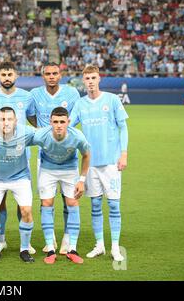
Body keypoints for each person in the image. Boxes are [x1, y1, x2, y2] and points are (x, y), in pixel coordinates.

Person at [70, 65, 129, 262]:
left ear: (99, 78)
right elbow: (68, 126)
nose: (90, 82)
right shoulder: (80, 104)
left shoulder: (111, 100)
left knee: (113, 205)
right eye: (87, 78)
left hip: (111, 163)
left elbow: (123, 127)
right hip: (91, 164)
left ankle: (114, 247)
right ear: (83, 81)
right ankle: (100, 245)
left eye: (93, 78)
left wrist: (124, 154)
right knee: (95, 204)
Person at [0, 61, 37, 254]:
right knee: (0, 200)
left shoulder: (27, 97)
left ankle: (26, 243)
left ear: (16, 76)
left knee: (23, 203)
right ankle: (1, 238)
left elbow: (33, 120)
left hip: (21, 156)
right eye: (3, 74)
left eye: (10, 74)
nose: (7, 78)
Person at [31, 62, 81, 255]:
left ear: (61, 75)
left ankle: (68, 238)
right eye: (48, 74)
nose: (51, 76)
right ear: (43, 76)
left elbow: (75, 118)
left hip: (68, 154)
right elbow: (29, 115)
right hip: (45, 155)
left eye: (55, 73)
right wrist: (45, 133)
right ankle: (50, 238)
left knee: (68, 198)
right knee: (46, 198)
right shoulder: (35, 94)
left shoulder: (72, 94)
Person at [32, 107, 90, 265]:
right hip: (47, 170)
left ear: (68, 122)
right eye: (55, 122)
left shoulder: (77, 136)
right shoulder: (41, 135)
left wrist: (82, 180)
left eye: (62, 122)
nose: (59, 125)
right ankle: (50, 249)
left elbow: (86, 155)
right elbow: (22, 141)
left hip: (69, 170)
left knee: (72, 203)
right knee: (46, 203)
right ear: (50, 122)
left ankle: (72, 249)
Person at [0, 107, 36, 263]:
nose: (6, 122)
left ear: (16, 121)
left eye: (10, 119)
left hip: (20, 177)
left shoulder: (27, 132)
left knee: (26, 210)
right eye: (2, 119)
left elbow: (46, 137)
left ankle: (24, 249)